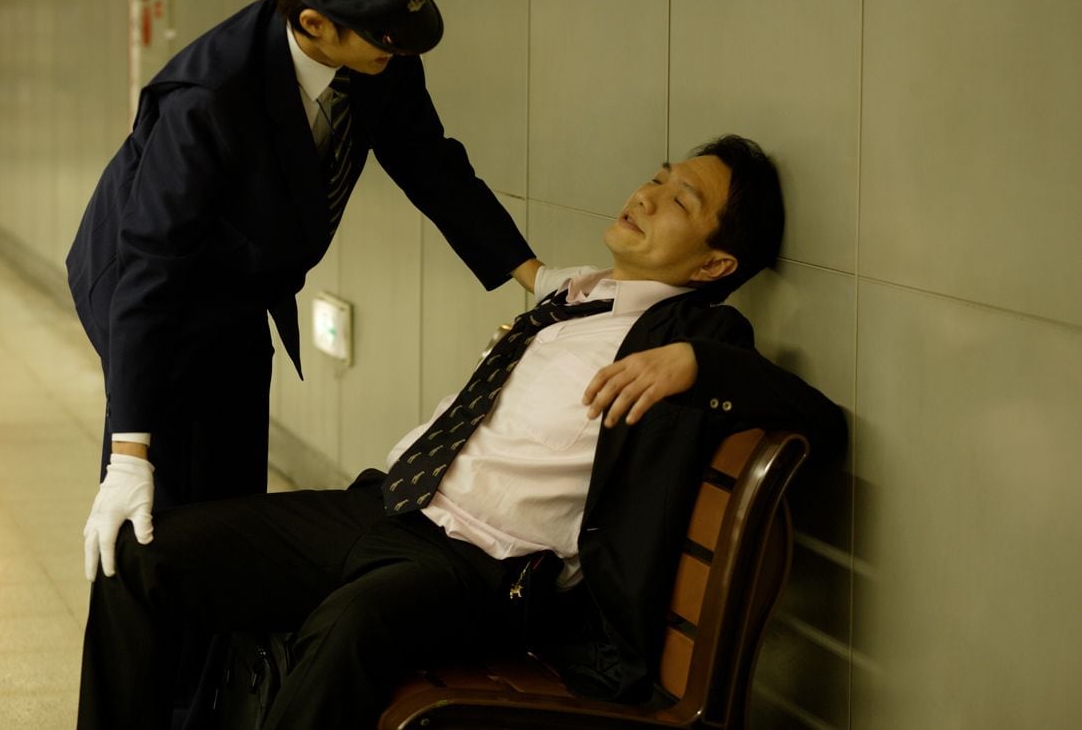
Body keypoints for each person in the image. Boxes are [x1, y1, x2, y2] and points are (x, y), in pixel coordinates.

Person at [77, 135, 849, 729]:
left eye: (680, 198)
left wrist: (696, 361)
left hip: (482, 567)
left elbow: (820, 421)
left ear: (714, 265)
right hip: (386, 506)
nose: (647, 194)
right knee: (138, 553)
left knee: (349, 625)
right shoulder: (578, 296)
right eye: (658, 175)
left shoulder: (694, 334)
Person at [69, 0, 568, 579]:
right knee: (158, 504)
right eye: (385, 40)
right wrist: (129, 454)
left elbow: (431, 166)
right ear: (314, 24)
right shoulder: (209, 98)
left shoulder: (377, 54)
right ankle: (151, 634)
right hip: (150, 285)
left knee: (233, 494)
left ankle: (228, 643)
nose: (398, 51)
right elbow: (152, 266)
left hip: (238, 283)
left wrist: (535, 275)